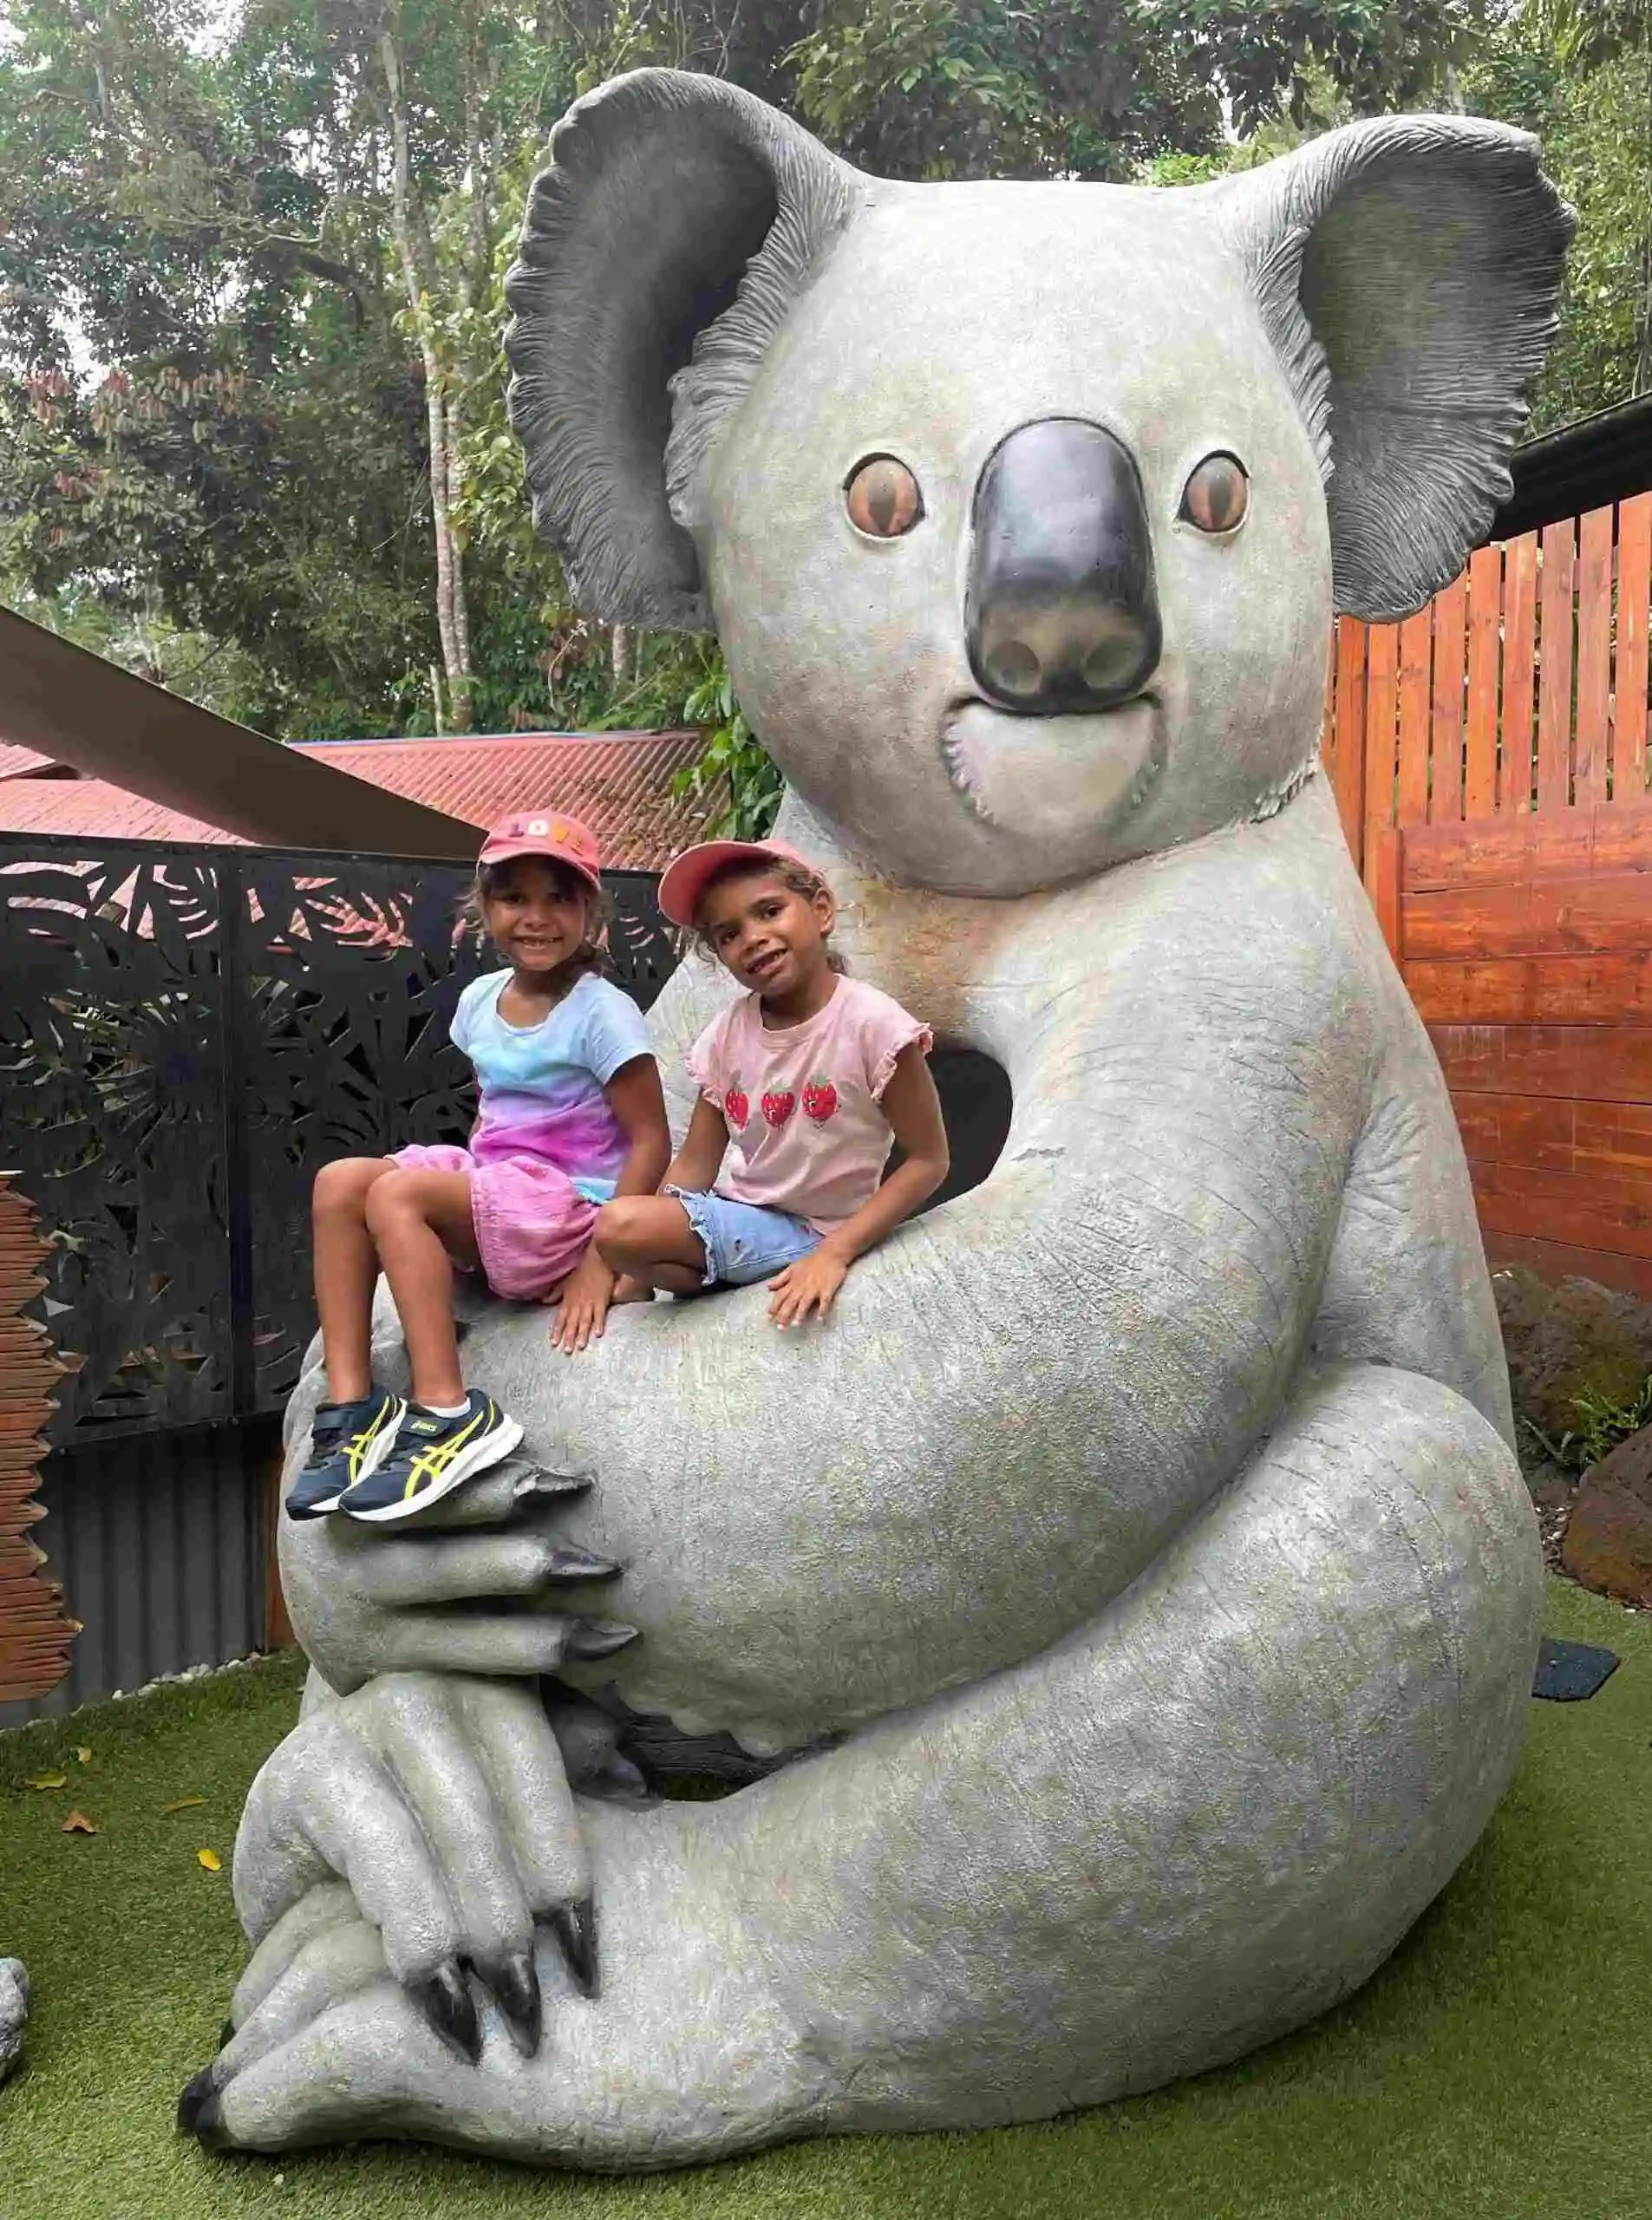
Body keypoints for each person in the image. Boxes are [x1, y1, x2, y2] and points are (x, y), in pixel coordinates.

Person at [284, 811, 670, 1525]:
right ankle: (350, 1409)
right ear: (484, 908)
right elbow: (497, 1117)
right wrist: (460, 1202)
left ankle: (448, 1411)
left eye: (559, 898)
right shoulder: (477, 1003)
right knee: (340, 1182)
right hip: (504, 1193)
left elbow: (650, 1140)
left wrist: (604, 1260)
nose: (536, 917)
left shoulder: (601, 1012)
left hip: (566, 1210)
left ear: (591, 912)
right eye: (514, 897)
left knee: (399, 1197)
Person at [595, 839, 949, 1325]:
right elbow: (696, 1161)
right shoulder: (728, 1033)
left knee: (619, 1224)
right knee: (621, 1233)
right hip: (741, 1217)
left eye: (769, 911)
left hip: (818, 1231)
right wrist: (636, 1272)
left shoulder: (873, 1024)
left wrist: (835, 1254)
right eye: (728, 934)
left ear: (821, 909)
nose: (753, 938)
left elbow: (929, 1159)